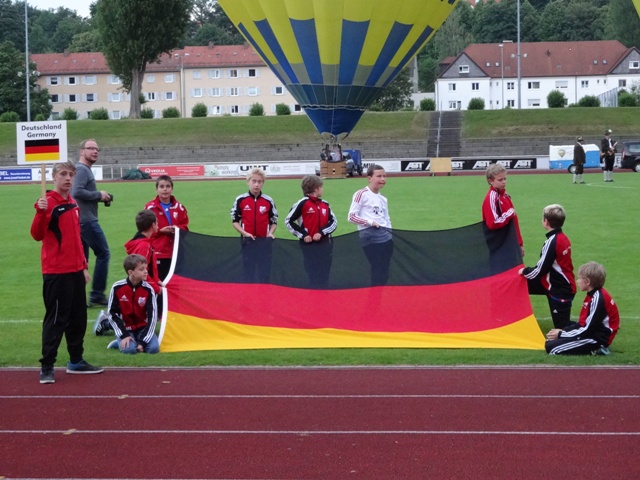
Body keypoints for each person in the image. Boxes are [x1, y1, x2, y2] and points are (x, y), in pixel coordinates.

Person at [31, 161, 104, 384]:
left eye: (71, 174)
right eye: (63, 174)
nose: (68, 178)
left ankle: (76, 360)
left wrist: (83, 266)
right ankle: (47, 366)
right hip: (56, 272)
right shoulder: (48, 203)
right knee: (56, 320)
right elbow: (37, 234)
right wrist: (40, 212)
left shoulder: (73, 203)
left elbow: (76, 240)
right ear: (54, 176)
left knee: (78, 319)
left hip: (75, 271)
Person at [518, 204, 576, 329]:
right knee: (518, 284)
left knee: (563, 328)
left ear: (546, 222)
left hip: (560, 289)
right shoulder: (563, 238)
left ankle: (593, 328)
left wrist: (523, 271)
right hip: (550, 282)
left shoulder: (552, 242)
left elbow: (540, 270)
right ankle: (514, 319)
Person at [545, 261, 620, 355]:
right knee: (549, 341)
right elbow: (582, 323)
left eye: (579, 278)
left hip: (597, 338)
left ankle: (597, 349)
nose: (577, 281)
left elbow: (587, 328)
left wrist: (561, 334)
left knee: (553, 349)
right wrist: (563, 331)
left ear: (587, 282)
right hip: (591, 333)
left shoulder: (598, 299)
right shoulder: (592, 295)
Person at [71, 139, 112, 306]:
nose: (95, 151)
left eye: (97, 149)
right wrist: (98, 195)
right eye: (91, 148)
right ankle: (97, 294)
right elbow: (77, 191)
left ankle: (78, 297)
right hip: (86, 221)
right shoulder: (82, 169)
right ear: (82, 151)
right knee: (103, 253)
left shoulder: (83, 169)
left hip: (80, 220)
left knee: (82, 260)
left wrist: (102, 198)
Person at [285, 175, 338, 288]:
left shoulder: (325, 204)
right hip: (309, 246)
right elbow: (288, 221)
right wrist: (303, 235)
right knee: (312, 274)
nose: (322, 189)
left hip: (325, 245)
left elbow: (334, 222)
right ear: (315, 188)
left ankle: (323, 295)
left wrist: (321, 232)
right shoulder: (302, 203)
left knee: (325, 274)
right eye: (321, 187)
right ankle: (313, 294)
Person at [348, 164, 393, 286]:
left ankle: (378, 293)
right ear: (369, 178)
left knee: (384, 271)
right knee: (378, 268)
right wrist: (370, 222)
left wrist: (390, 233)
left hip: (386, 237)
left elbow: (386, 219)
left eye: (384, 176)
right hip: (370, 236)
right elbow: (351, 217)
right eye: (379, 176)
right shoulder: (361, 194)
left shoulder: (383, 199)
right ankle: (374, 294)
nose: (383, 179)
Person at [230, 168, 278, 283]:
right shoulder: (241, 200)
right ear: (248, 182)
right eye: (254, 181)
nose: (256, 184)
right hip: (247, 243)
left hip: (264, 243)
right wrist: (245, 234)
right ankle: (249, 292)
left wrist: (270, 233)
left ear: (263, 183)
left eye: (259, 182)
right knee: (248, 272)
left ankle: (264, 292)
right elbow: (235, 221)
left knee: (264, 272)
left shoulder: (268, 201)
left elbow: (274, 222)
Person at [106, 254, 159, 354]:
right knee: (130, 350)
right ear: (131, 272)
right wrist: (124, 335)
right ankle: (119, 342)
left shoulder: (148, 289)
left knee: (153, 349)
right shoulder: (117, 287)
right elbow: (112, 314)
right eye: (141, 269)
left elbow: (152, 317)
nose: (146, 271)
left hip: (143, 328)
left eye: (146, 268)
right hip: (125, 329)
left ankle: (136, 341)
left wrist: (143, 342)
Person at [145, 175, 190, 281]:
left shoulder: (179, 207)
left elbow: (185, 228)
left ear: (172, 189)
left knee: (175, 282)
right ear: (156, 189)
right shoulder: (150, 208)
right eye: (161, 186)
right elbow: (145, 230)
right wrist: (160, 231)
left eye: (168, 186)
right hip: (158, 251)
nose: (165, 189)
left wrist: (177, 229)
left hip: (176, 251)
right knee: (160, 281)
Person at [481, 163, 524, 258]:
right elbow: (493, 223)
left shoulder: (504, 196)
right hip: (499, 246)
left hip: (510, 243)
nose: (504, 182)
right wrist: (509, 213)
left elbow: (514, 222)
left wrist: (519, 243)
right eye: (500, 180)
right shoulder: (491, 198)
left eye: (505, 179)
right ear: (490, 181)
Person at [125, 210, 162, 295]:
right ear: (153, 225)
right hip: (144, 290)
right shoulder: (144, 246)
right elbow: (141, 271)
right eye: (157, 222)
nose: (158, 224)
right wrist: (157, 289)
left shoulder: (142, 241)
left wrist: (157, 281)